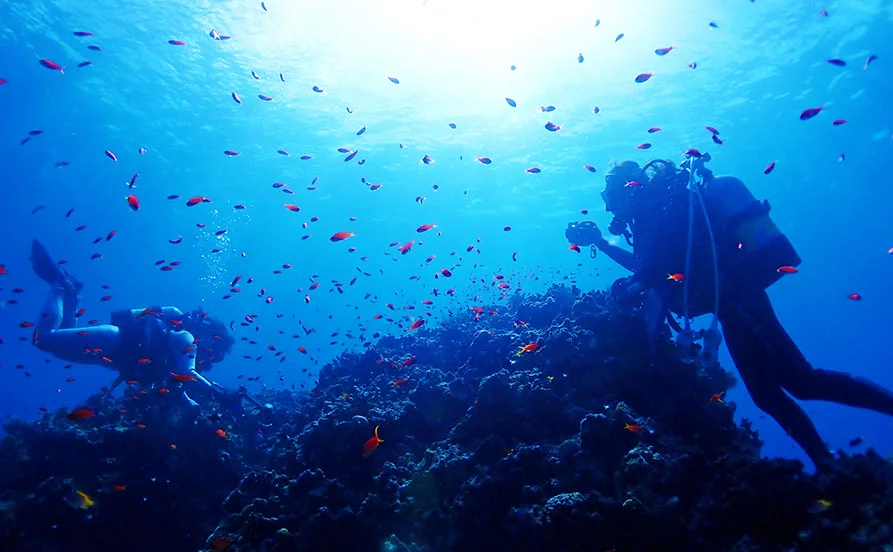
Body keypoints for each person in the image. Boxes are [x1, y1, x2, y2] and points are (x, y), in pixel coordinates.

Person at [565, 155, 893, 467]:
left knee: (802, 380)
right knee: (769, 394)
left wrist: (607, 249)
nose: (607, 204)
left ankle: (832, 459)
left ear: (627, 187)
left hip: (737, 297)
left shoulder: (656, 211)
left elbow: (648, 271)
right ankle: (825, 464)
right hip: (732, 302)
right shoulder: (654, 213)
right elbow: (653, 269)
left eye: (609, 193)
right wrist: (610, 250)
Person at [29, 239, 260, 410]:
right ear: (211, 336)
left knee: (52, 345)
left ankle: (72, 293)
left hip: (109, 355)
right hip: (111, 340)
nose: (212, 360)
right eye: (216, 352)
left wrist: (191, 404)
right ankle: (60, 285)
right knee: (45, 338)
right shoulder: (186, 339)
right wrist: (220, 395)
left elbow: (178, 385)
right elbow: (188, 372)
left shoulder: (178, 349)